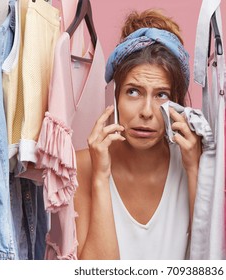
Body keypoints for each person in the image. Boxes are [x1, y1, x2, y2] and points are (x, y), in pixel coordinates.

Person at [74, 9, 202, 260]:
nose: (146, 112)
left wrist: (194, 169)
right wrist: (101, 177)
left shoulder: (195, 163)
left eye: (161, 95)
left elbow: (210, 261)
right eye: (133, 92)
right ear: (115, 95)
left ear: (177, 103)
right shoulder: (83, 166)